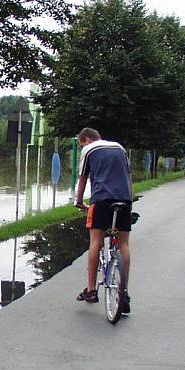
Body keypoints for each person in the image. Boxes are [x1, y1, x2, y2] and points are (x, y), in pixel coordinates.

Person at [73, 127, 132, 313]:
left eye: (82, 143)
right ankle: (124, 292)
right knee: (123, 244)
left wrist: (79, 201)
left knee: (96, 242)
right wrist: (129, 199)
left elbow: (83, 178)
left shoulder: (88, 150)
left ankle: (91, 290)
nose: (82, 146)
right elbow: (128, 176)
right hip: (124, 199)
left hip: (101, 200)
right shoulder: (120, 148)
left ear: (88, 140)